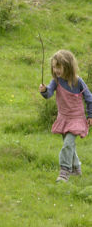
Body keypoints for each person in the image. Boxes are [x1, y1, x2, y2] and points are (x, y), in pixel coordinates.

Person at [39, 49, 92, 182]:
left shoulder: (78, 82)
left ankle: (64, 172)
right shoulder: (56, 81)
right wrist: (44, 91)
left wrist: (90, 115)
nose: (56, 70)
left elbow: (89, 98)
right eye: (54, 66)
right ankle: (76, 168)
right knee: (70, 145)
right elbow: (49, 94)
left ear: (67, 66)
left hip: (76, 119)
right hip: (63, 118)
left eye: (58, 67)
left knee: (68, 144)